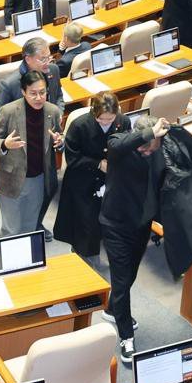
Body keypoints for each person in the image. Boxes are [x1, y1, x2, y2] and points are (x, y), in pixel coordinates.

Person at [102, 117, 170, 359]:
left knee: (129, 274)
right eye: (149, 144)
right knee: (121, 281)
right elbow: (118, 145)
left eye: (156, 144)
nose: (152, 150)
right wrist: (149, 133)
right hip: (115, 225)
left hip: (142, 224)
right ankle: (126, 338)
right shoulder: (120, 148)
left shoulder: (158, 151)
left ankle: (112, 308)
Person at [0, 70, 66, 238]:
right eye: (33, 93)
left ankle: (26, 263)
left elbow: (59, 137)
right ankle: (8, 263)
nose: (38, 98)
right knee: (11, 229)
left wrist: (60, 143)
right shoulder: (8, 111)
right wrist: (4, 144)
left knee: (30, 227)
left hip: (38, 179)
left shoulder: (52, 111)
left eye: (42, 92)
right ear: (23, 92)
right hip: (11, 177)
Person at [55, 92, 122, 259]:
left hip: (109, 180)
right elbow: (72, 158)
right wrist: (98, 164)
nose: (106, 123)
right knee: (84, 222)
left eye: (110, 119)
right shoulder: (80, 126)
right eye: (102, 119)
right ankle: (80, 254)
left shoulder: (122, 121)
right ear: (94, 112)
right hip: (82, 180)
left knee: (104, 219)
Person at [0, 37, 64, 111]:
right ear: (28, 59)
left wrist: (58, 114)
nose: (47, 62)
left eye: (49, 57)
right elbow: (1, 118)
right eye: (43, 59)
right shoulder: (9, 85)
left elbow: (58, 96)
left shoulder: (53, 70)